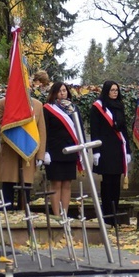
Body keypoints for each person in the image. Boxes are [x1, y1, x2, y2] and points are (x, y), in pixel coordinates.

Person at [0, 94, 47, 210]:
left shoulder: (37, 104)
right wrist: (12, 134)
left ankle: (24, 215)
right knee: (8, 185)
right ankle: (6, 216)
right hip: (10, 149)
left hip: (28, 151)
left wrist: (40, 155)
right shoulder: (4, 102)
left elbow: (41, 130)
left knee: (26, 186)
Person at [90, 80, 131, 224]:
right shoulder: (98, 107)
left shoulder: (119, 106)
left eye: (116, 90)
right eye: (112, 90)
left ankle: (114, 213)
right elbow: (94, 130)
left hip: (118, 148)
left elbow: (124, 129)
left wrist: (128, 151)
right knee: (107, 183)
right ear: (106, 91)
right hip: (104, 149)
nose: (115, 92)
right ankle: (106, 214)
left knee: (116, 183)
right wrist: (96, 151)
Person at [44, 82, 83, 217]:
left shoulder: (74, 108)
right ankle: (56, 215)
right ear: (54, 93)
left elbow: (80, 130)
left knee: (67, 184)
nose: (62, 93)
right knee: (56, 184)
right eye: (60, 91)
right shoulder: (48, 109)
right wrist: (45, 151)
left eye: (65, 90)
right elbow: (45, 132)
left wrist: (81, 151)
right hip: (54, 152)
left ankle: (64, 214)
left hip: (71, 151)